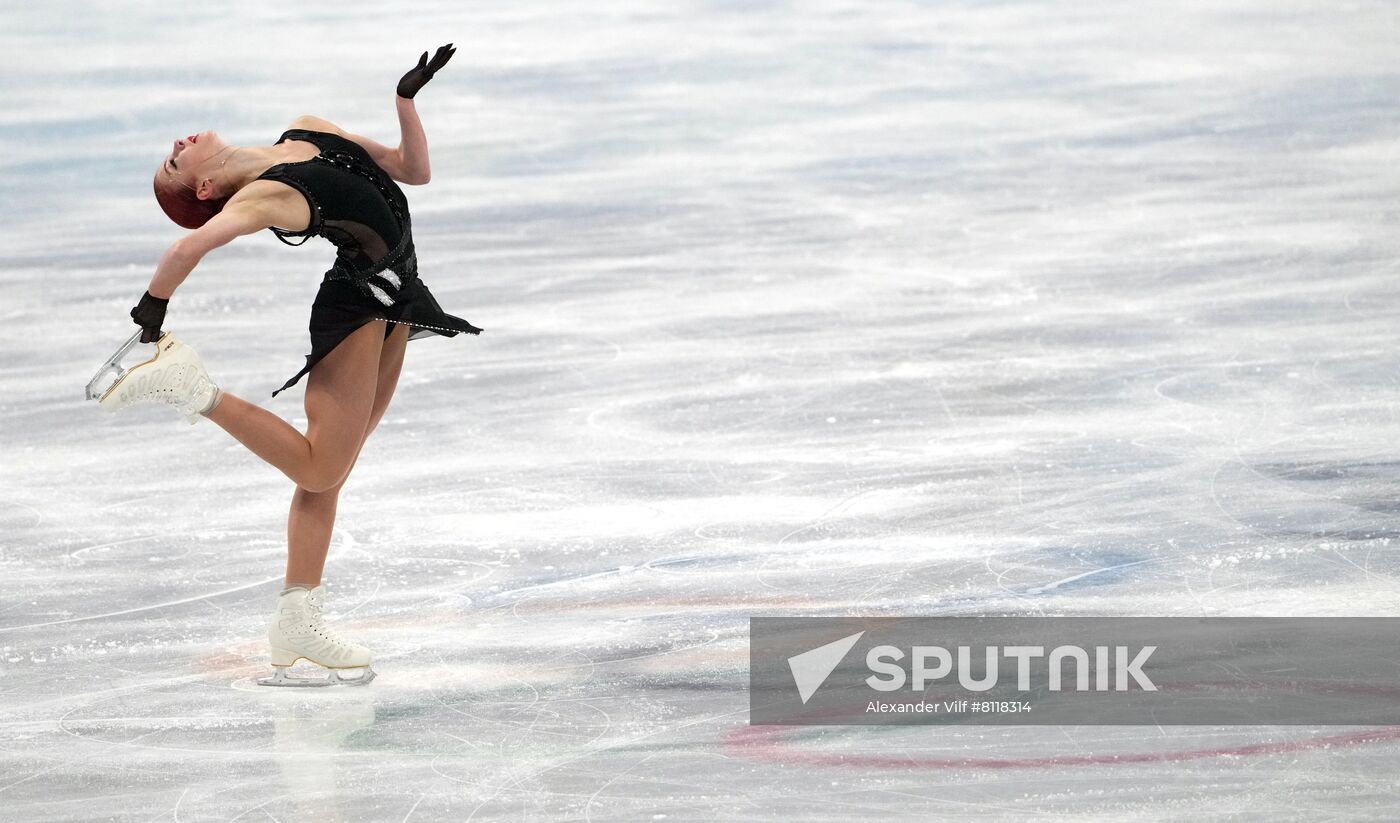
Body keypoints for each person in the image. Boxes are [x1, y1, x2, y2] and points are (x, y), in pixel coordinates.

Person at [105, 44, 482, 686]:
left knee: (330, 473)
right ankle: (194, 390)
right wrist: (152, 311)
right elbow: (189, 247)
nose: (178, 143)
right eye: (174, 161)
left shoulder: (307, 131)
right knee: (320, 466)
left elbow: (411, 171)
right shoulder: (265, 197)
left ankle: (297, 620)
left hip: (397, 299)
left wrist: (405, 101)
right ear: (204, 187)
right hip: (356, 306)